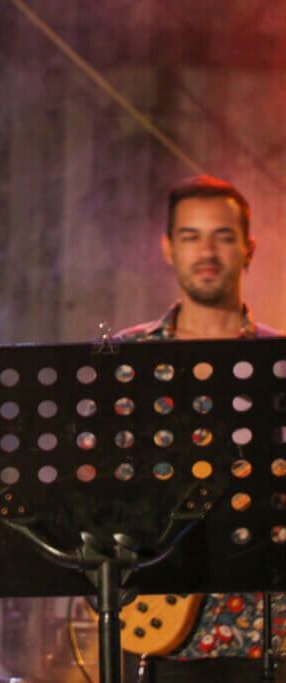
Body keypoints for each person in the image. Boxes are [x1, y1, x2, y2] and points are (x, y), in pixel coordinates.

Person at [115, 175, 282, 682]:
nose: (206, 251)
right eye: (190, 236)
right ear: (168, 248)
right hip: (157, 632)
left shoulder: (277, 362)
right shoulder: (126, 360)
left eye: (223, 236)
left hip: (268, 633)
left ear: (248, 249)